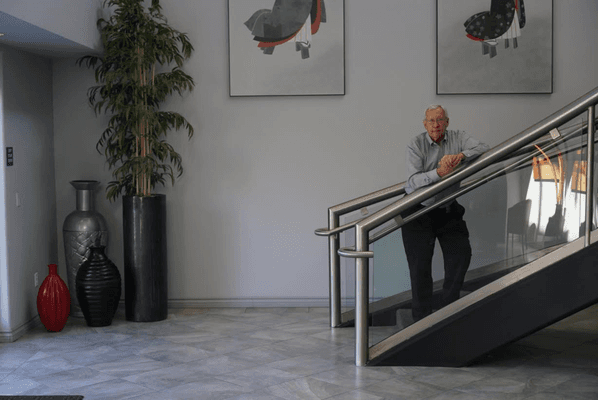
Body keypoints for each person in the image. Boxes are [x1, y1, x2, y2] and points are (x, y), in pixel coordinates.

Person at [402, 105, 489, 322]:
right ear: (425, 124)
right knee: (420, 266)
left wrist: (460, 156)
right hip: (418, 211)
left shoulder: (458, 137)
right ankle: (420, 322)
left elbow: (484, 148)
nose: (436, 125)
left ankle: (447, 312)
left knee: (460, 255)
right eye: (431, 121)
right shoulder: (416, 144)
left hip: (447, 209)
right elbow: (413, 182)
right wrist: (438, 173)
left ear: (447, 122)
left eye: (440, 120)